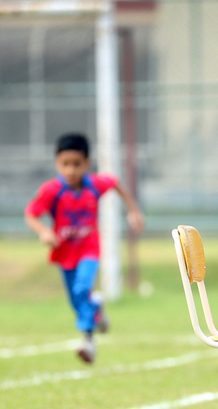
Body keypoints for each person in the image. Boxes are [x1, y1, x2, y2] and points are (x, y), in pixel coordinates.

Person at [25, 132, 144, 364]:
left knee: (82, 288)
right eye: (65, 164)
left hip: (89, 251)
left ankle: (88, 342)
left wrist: (133, 210)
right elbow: (31, 214)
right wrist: (45, 232)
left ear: (87, 164)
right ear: (57, 163)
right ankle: (96, 307)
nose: (70, 170)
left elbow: (115, 182)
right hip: (64, 253)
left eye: (77, 164)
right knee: (76, 300)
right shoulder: (52, 190)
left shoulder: (94, 185)